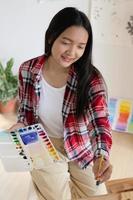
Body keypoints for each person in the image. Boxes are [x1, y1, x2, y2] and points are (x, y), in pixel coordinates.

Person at [9, 7, 112, 200]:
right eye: (66, 42)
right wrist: (19, 126)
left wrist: (101, 155)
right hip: (40, 142)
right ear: (51, 38)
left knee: (98, 197)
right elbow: (25, 113)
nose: (72, 52)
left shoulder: (91, 79)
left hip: (80, 144)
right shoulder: (28, 70)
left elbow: (100, 123)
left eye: (81, 46)